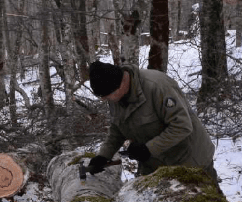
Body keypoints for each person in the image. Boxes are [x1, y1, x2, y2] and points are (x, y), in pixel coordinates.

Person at [86, 60, 217, 179]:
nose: (105, 100)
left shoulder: (157, 86)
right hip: (157, 167)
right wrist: (103, 156)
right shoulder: (115, 96)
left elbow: (182, 126)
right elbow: (117, 129)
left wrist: (148, 149)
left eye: (106, 96)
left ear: (120, 84)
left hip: (190, 161)